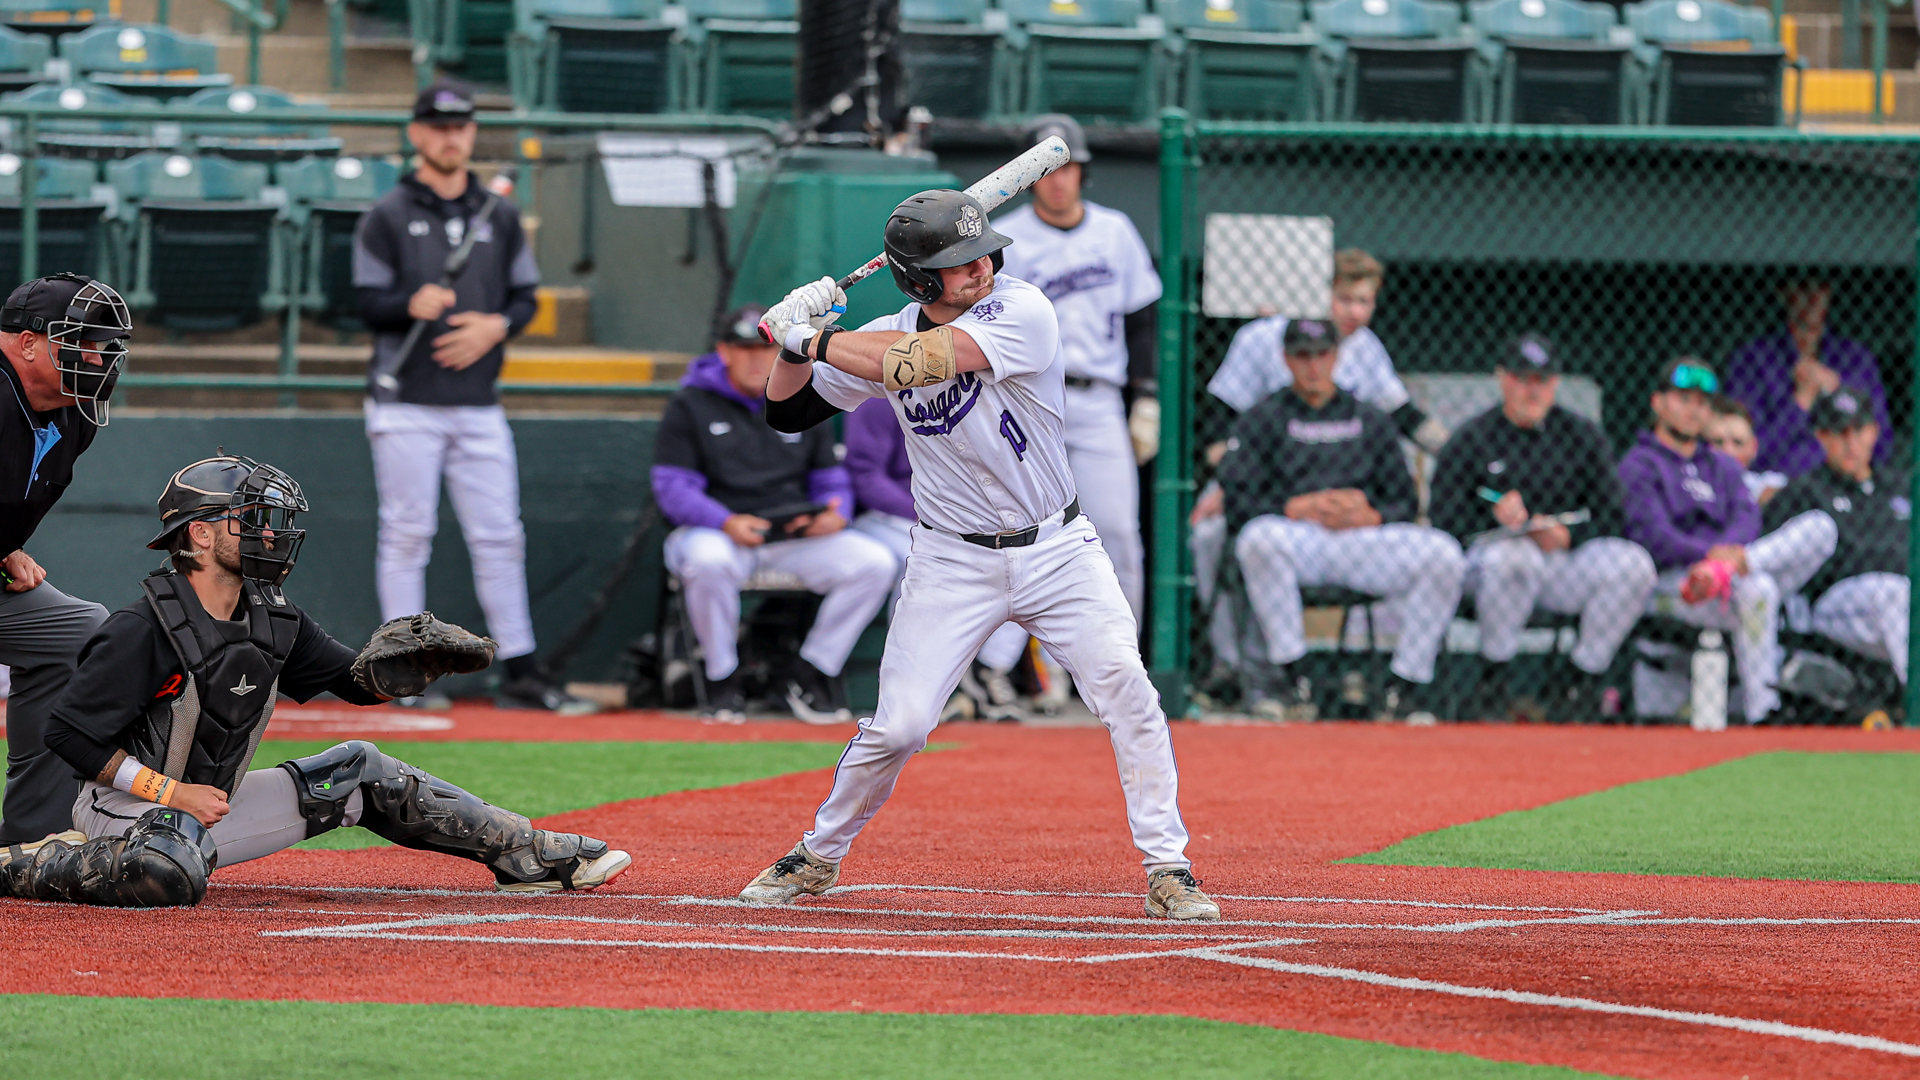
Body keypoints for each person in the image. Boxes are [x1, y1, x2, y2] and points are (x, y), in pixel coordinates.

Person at [738, 188, 1218, 921]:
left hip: (1057, 548)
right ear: (920, 280)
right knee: (898, 726)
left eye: (982, 253)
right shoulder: (881, 330)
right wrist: (788, 345)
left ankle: (1169, 866)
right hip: (950, 560)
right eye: (959, 264)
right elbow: (787, 410)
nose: (982, 268)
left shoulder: (1024, 309)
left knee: (1126, 685)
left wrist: (810, 337)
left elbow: (926, 361)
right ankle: (817, 854)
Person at [0, 455, 630, 907]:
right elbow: (69, 735)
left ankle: (525, 851)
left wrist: (398, 674)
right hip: (123, 814)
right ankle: (36, 863)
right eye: (252, 519)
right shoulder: (142, 627)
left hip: (205, 814)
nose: (271, 532)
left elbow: (354, 682)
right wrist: (172, 794)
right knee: (166, 866)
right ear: (199, 533)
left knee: (362, 770)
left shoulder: (275, 618)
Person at [352, 78, 591, 715]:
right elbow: (360, 301)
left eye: (460, 126)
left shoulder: (500, 213)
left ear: (472, 133)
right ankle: (399, 666)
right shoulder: (388, 213)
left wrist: (496, 326)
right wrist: (408, 304)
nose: (451, 136)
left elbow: (523, 298)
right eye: (438, 126)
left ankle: (519, 665)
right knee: (407, 533)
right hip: (405, 400)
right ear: (417, 133)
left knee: (500, 537)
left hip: (479, 400)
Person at [1191, 249, 1442, 671]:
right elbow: (1218, 421)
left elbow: (1406, 418)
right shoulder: (1262, 337)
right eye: (1345, 299)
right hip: (1261, 476)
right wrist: (1227, 481)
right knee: (1209, 534)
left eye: (1365, 302)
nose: (1355, 313)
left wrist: (1461, 452)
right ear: (1316, 293)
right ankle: (1232, 664)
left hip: (1341, 492)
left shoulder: (1365, 347)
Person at [652, 305, 895, 724]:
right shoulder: (691, 404)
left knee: (874, 563)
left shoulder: (799, 393)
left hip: (790, 535)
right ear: (724, 351)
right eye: (744, 348)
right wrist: (724, 521)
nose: (756, 358)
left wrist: (835, 514)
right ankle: (720, 679)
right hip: (717, 532)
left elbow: (830, 478)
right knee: (707, 562)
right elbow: (672, 488)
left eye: (765, 348)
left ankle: (810, 671)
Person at [1219, 318, 1465, 722]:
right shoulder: (1264, 418)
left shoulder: (1369, 417)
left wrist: (1372, 514)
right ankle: (1293, 677)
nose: (1313, 366)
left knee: (1444, 555)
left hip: (1361, 543)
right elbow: (1238, 503)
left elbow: (1404, 500)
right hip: (1298, 540)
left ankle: (1406, 686)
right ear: (1285, 359)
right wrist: (1291, 508)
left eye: (1321, 355)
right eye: (1302, 356)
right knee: (1257, 539)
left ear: (1337, 357)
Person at [1429, 334, 1654, 723]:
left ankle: (1578, 680)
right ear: (1502, 379)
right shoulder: (1472, 438)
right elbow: (1442, 521)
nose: (1532, 389)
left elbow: (1614, 515)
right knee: (1514, 557)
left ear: (1555, 384)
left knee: (1635, 566)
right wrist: (1493, 519)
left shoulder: (1581, 436)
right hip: (1490, 570)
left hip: (1561, 565)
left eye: (1542, 380)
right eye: (1522, 378)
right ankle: (1493, 680)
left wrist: (1569, 536)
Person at [992, 114, 1159, 626]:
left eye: (1065, 168)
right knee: (1019, 535)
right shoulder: (1006, 239)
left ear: (1082, 172)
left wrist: (1146, 395)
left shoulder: (1115, 231)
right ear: (1026, 178)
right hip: (1026, 402)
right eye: (1045, 170)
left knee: (1117, 532)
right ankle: (1012, 675)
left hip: (1098, 399)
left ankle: (1119, 659)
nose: (1057, 180)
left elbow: (1142, 320)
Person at [1620, 358, 1838, 724]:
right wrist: (1708, 557)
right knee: (1759, 589)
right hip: (1674, 585)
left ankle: (1762, 713)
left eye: (1702, 402)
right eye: (1683, 399)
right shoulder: (1640, 463)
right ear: (1658, 403)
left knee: (1821, 526)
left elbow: (1747, 516)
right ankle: (1763, 709)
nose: (1694, 409)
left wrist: (1727, 562)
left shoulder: (1722, 466)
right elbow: (1653, 535)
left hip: (1728, 576)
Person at [0, 274, 129, 846]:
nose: (98, 360)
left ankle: (32, 835)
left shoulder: (71, 414)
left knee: (78, 631)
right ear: (28, 343)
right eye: (84, 343)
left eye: (105, 347)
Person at [845, 396, 1036, 721]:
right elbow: (865, 476)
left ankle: (990, 671)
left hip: (960, 519)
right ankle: (921, 682)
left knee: (1022, 562)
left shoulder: (982, 396)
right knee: (919, 564)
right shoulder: (880, 394)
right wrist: (931, 514)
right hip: (891, 516)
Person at [1765, 387, 1910, 683]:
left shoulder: (1903, 488)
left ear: (1873, 431)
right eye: (1838, 433)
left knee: (1901, 596)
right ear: (1822, 437)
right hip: (1835, 607)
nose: (1850, 443)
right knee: (1894, 594)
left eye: (1857, 430)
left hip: (1901, 600)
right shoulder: (1805, 490)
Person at [1725, 278, 1892, 478]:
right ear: (1783, 292)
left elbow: (1883, 445)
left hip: (1844, 483)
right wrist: (1800, 402)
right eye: (1803, 287)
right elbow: (1747, 450)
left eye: (1820, 287)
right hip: (1776, 483)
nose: (1813, 297)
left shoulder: (1855, 358)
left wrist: (1839, 393)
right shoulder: (1753, 358)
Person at [1708, 396, 1787, 506]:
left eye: (1738, 442)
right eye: (1718, 442)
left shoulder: (1769, 485)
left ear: (1753, 447)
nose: (1727, 451)